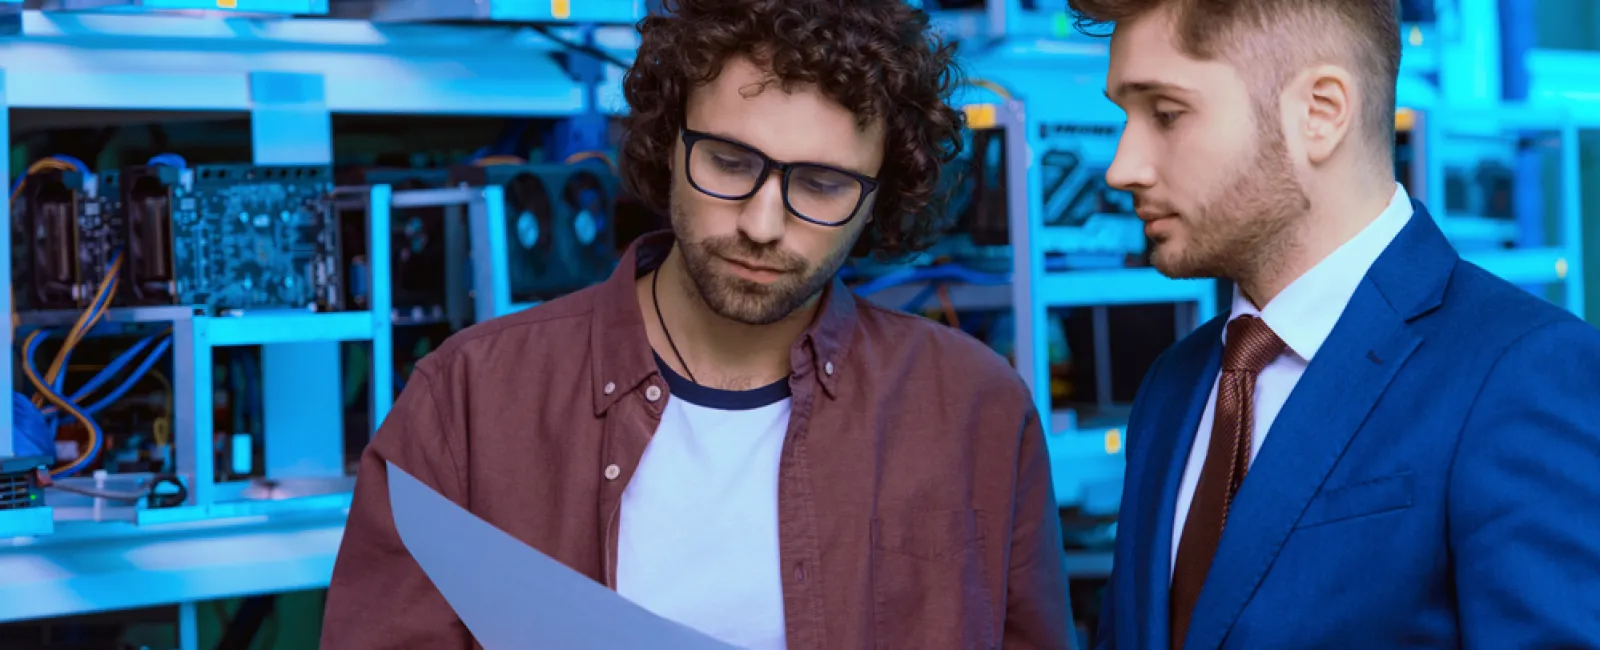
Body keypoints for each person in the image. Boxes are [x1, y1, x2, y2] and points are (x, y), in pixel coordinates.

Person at [320, 0, 1078, 648]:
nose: (761, 222)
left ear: (880, 196)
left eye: (821, 184)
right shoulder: (473, 401)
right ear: (667, 137)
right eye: (728, 162)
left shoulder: (971, 408)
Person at [1068, 0, 1600, 648]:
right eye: (1126, 115)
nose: (1122, 166)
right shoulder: (1172, 387)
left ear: (1320, 113)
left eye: (1167, 114)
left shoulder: (1520, 372)